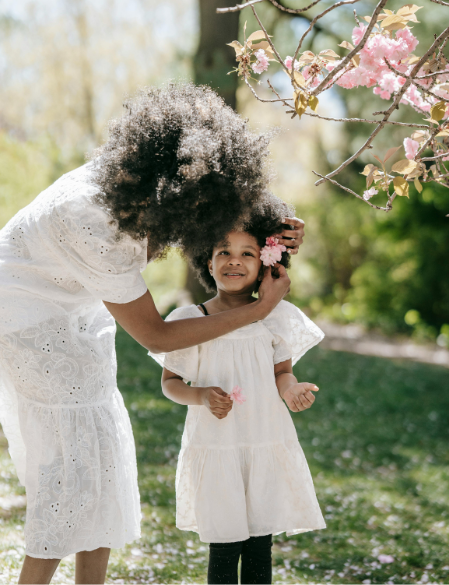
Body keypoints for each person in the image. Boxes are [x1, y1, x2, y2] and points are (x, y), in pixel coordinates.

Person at [0, 83, 306, 585]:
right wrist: (259, 311)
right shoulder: (95, 218)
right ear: (182, 183)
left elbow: (232, 212)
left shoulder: (152, 188)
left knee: (101, 466)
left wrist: (277, 226)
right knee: (71, 476)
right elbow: (159, 338)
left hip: (75, 306)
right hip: (24, 318)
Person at [149, 195, 326, 585]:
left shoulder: (275, 317)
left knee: (260, 544)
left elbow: (282, 372)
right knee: (225, 545)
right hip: (216, 444)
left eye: (248, 253)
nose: (234, 260)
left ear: (265, 262)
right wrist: (199, 396)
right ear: (206, 261)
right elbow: (171, 383)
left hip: (264, 438)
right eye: (223, 251)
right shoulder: (189, 320)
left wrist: (291, 389)